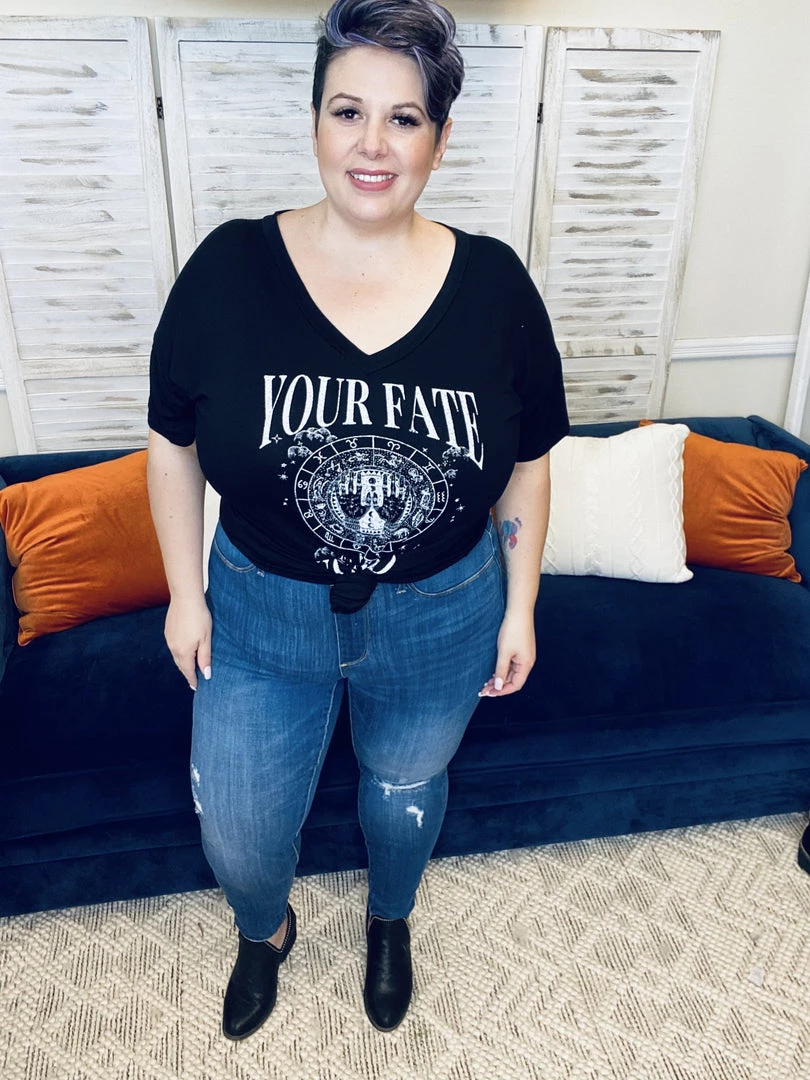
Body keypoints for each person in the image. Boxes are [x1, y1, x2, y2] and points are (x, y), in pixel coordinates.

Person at [147, 0, 569, 1040]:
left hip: (443, 611)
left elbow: (528, 462)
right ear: (315, 123)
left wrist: (521, 606)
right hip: (261, 611)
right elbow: (172, 442)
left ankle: (390, 918)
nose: (372, 144)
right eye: (348, 111)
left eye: (404, 118)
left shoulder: (496, 288)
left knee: (404, 789)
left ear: (440, 138)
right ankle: (265, 929)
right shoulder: (229, 270)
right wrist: (184, 595)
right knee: (239, 830)